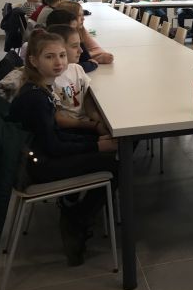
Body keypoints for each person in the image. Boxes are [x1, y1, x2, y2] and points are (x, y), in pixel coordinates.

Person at [8, 30, 118, 266]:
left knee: (107, 151)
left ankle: (75, 211)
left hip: (37, 156)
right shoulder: (37, 98)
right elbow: (54, 146)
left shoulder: (40, 87)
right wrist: (96, 146)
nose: (58, 62)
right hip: (36, 167)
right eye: (49, 57)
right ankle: (77, 219)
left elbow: (55, 135)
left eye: (61, 55)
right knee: (114, 165)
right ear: (33, 60)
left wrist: (95, 144)